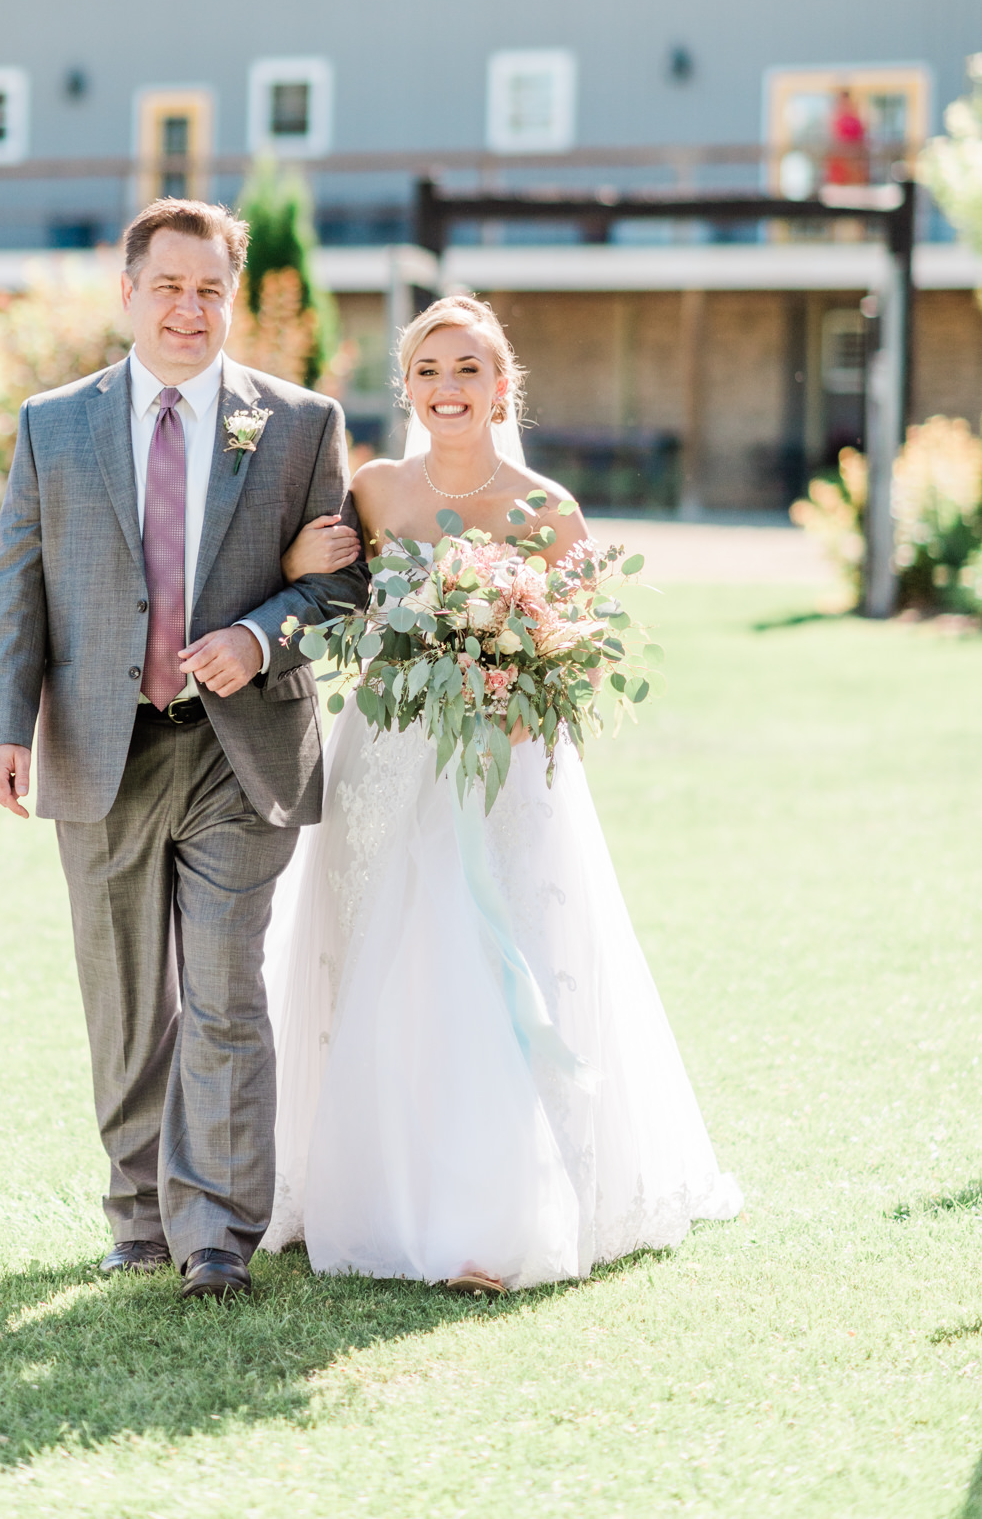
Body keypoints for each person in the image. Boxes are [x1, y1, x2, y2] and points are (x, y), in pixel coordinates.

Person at [264, 293, 741, 1291]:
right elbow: (327, 599)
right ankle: (368, 1187)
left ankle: (495, 1216)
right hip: (387, 756)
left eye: (469, 368)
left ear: (502, 385)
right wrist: (304, 559)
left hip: (501, 769)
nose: (449, 388)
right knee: (378, 959)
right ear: (406, 388)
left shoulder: (547, 508)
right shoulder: (376, 492)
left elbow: (578, 652)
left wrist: (517, 682)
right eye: (430, 370)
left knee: (493, 959)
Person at [0, 198, 369, 1300]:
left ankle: (215, 1234)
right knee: (122, 998)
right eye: (170, 286)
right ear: (129, 290)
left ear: (230, 300)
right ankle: (137, 1214)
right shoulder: (55, 424)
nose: (189, 310)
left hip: (240, 753)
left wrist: (256, 635)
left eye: (210, 290)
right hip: (101, 745)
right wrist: (0, 729)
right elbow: (18, 582)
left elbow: (340, 579)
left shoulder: (298, 424)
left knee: (224, 990)